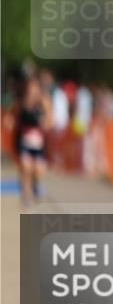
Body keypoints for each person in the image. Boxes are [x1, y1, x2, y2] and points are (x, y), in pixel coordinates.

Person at [14, 76, 52, 207]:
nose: (32, 90)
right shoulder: (22, 102)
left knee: (37, 170)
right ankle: (26, 195)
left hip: (39, 143)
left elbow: (49, 121)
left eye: (34, 87)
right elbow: (16, 118)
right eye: (30, 87)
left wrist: (45, 122)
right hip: (24, 142)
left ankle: (35, 185)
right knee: (26, 168)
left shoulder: (44, 102)